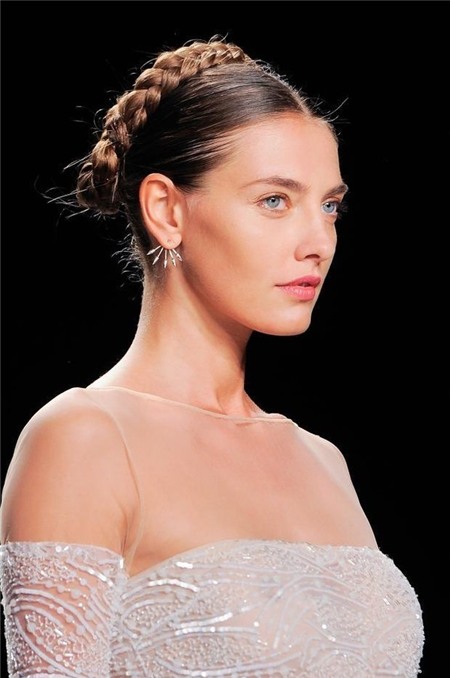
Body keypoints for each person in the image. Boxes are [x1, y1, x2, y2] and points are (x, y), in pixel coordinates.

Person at [0, 36, 424, 677]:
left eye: (330, 206)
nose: (318, 241)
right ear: (166, 209)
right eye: (275, 200)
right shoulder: (86, 439)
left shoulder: (322, 460)